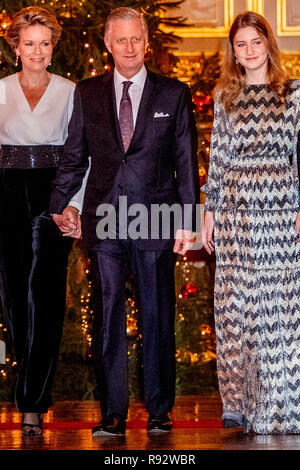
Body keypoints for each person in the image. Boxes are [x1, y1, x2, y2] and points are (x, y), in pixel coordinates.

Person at [50, 7, 199, 435]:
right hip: (105, 220)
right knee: (108, 315)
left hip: (156, 218)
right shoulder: (88, 92)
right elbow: (75, 155)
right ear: (108, 44)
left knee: (157, 315)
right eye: (121, 40)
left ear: (146, 42)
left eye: (137, 39)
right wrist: (63, 204)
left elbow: (185, 162)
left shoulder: (174, 93)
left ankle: (158, 410)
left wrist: (188, 220)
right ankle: (112, 413)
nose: (129, 47)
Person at [202, 10, 300, 434]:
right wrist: (209, 215)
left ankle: (282, 405)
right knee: (237, 309)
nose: (249, 50)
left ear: (268, 44)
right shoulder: (225, 98)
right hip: (237, 218)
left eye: (255, 42)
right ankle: (240, 402)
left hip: (281, 216)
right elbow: (218, 164)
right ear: (234, 52)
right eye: (241, 45)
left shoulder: (294, 93)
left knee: (277, 309)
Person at [0, 6, 79, 436]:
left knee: (45, 297)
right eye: (28, 43)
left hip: (55, 195)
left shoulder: (70, 92)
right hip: (7, 194)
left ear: (53, 48)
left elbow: (79, 154)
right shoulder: (0, 91)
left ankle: (31, 402)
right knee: (15, 300)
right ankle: (31, 390)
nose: (37, 51)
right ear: (16, 48)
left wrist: (74, 206)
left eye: (44, 43)